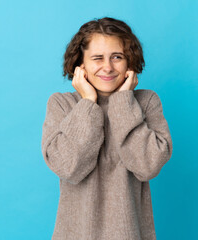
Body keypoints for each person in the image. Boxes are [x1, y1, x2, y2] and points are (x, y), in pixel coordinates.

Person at [41, 17, 173, 240]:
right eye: (97, 58)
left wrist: (123, 101)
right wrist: (88, 103)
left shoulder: (146, 102)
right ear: (81, 64)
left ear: (129, 62)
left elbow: (147, 165)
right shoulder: (62, 105)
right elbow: (69, 167)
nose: (108, 67)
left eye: (117, 57)